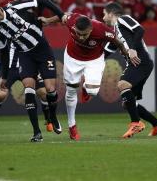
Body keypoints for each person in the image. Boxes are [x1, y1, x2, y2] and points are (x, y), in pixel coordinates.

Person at [40, 12, 140, 141]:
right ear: (74, 27)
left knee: (93, 91)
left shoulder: (101, 29)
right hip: (72, 57)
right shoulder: (72, 21)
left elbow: (118, 42)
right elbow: (61, 15)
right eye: (78, 34)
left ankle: (86, 89)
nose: (81, 37)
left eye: (85, 34)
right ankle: (72, 125)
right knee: (71, 90)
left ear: (91, 29)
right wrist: (47, 20)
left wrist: (127, 54)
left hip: (94, 60)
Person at [0, 0, 64, 142]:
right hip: (25, 55)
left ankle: (53, 117)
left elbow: (42, 0)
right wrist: (3, 76)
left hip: (42, 50)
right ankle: (37, 133)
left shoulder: (14, 6)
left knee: (50, 90)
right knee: (29, 89)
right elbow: (4, 52)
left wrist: (61, 15)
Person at [103, 2, 157, 138]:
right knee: (128, 103)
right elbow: (104, 54)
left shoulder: (123, 19)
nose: (103, 18)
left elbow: (140, 30)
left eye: (104, 14)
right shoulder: (113, 34)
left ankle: (135, 123)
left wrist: (132, 49)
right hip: (135, 64)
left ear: (111, 13)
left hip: (140, 61)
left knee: (122, 85)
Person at [0, 32, 53, 133]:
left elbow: (43, 44)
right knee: (1, 94)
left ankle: (48, 120)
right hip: (10, 68)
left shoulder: (31, 27)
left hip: (29, 66)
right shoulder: (6, 26)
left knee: (43, 93)